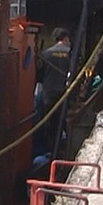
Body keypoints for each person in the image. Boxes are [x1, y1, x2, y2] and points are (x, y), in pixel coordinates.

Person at [34, 28, 73, 157]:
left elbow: (39, 76)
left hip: (48, 95)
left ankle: (51, 153)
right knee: (62, 124)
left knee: (49, 124)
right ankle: (61, 151)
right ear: (65, 38)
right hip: (64, 95)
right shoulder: (70, 55)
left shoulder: (46, 54)